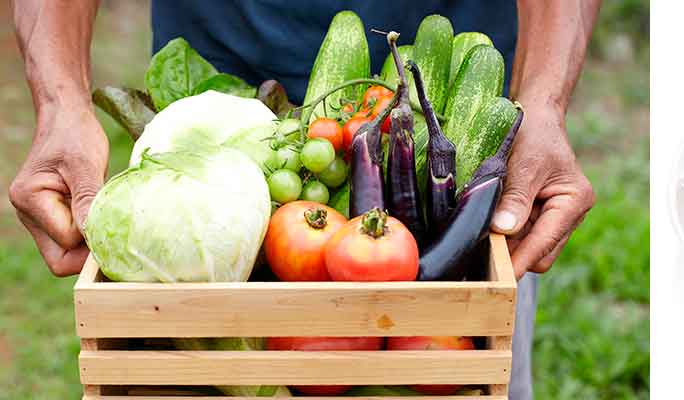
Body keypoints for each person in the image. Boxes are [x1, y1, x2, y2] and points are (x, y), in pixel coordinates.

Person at [9, 1, 598, 398]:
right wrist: (60, 104)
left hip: (451, 152)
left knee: (466, 364)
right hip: (221, 93)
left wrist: (543, 105)